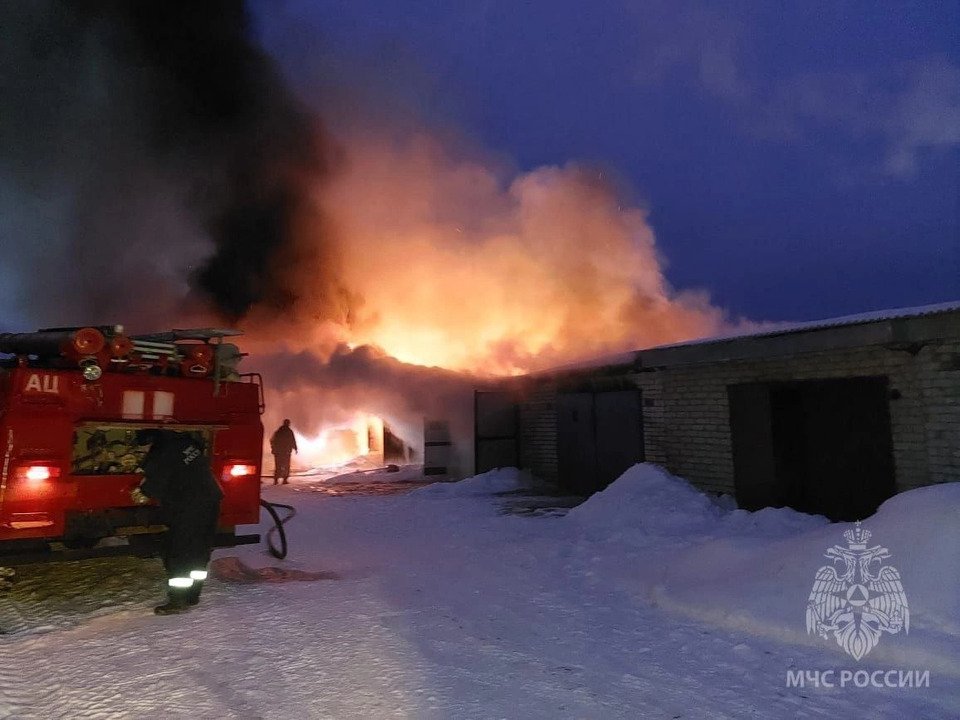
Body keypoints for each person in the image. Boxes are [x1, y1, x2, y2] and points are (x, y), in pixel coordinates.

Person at [131, 429, 223, 615]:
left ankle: (178, 601)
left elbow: (155, 483)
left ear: (151, 442)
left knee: (179, 553)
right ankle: (192, 595)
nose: (144, 452)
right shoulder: (184, 444)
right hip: (210, 502)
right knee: (199, 550)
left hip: (189, 507)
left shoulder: (162, 453)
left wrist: (141, 493)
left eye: (144, 448)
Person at [269, 419, 298, 485]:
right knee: (286, 466)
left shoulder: (278, 431)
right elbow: (292, 441)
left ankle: (276, 480)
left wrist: (273, 448)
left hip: (278, 452)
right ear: (288, 424)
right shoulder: (289, 432)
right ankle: (284, 480)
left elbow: (272, 440)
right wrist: (295, 449)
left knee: (278, 465)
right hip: (286, 452)